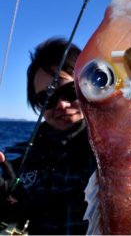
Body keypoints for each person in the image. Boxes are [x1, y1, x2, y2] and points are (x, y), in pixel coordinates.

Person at [0, 38, 96, 235]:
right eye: (46, 98)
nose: (61, 105)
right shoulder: (24, 159)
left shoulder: (112, 149)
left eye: (70, 92)